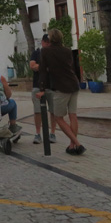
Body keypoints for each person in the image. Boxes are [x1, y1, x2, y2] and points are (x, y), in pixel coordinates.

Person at [37, 28, 84, 156]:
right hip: (74, 84)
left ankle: (77, 143)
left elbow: (43, 71)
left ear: (50, 39)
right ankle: (72, 145)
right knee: (72, 115)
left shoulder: (45, 51)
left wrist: (42, 89)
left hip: (61, 87)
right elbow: (71, 67)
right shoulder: (68, 50)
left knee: (58, 117)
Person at [30, 34, 57, 144]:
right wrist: (45, 67)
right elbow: (32, 66)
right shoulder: (36, 53)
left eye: (49, 42)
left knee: (53, 111)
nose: (47, 44)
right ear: (42, 42)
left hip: (52, 86)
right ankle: (37, 133)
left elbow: (55, 68)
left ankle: (53, 133)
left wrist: (40, 67)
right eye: (45, 41)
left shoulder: (54, 54)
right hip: (37, 85)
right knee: (37, 111)